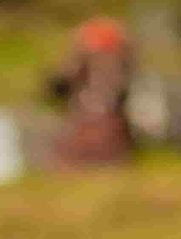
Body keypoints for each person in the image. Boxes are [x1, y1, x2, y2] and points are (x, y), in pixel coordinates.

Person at [48, 17, 135, 167]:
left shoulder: (84, 62)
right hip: (108, 137)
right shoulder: (121, 66)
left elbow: (59, 84)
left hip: (90, 132)